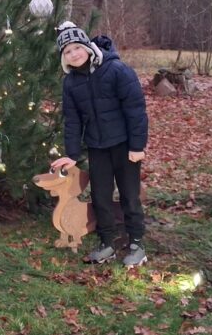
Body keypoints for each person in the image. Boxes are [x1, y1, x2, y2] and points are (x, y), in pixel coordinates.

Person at [50, 22, 149, 267]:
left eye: (76, 47)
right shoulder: (70, 83)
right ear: (64, 58)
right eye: (67, 52)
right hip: (97, 147)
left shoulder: (116, 70)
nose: (74, 54)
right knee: (100, 196)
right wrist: (72, 154)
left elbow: (136, 110)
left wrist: (137, 147)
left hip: (125, 146)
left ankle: (136, 243)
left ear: (86, 46)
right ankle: (106, 243)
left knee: (129, 194)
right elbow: (72, 120)